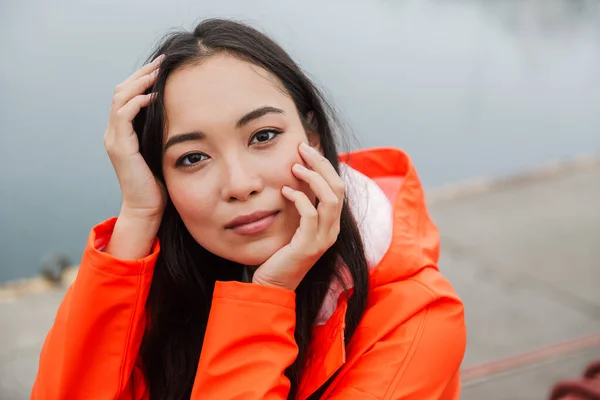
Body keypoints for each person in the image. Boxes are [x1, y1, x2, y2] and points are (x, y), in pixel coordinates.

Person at [31, 18, 466, 400]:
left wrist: (267, 296)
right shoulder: (168, 279)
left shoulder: (417, 321)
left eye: (263, 136)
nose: (239, 185)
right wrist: (138, 218)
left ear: (312, 134)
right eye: (192, 158)